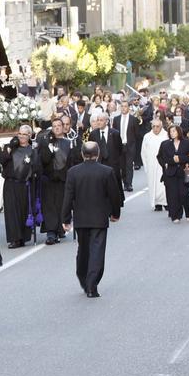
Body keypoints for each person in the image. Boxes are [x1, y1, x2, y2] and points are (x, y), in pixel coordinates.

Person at [62, 142, 122, 298]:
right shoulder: (107, 171)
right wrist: (116, 213)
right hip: (99, 217)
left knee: (83, 249)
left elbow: (68, 197)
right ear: (98, 153)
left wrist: (65, 218)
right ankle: (92, 285)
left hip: (81, 217)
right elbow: (114, 196)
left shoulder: (73, 172)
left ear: (82, 154)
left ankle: (84, 279)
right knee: (97, 251)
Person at [0, 125, 37, 248]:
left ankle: (23, 237)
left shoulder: (33, 150)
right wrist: (9, 148)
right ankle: (14, 238)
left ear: (29, 136)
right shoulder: (10, 148)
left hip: (24, 185)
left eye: (24, 134)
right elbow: (2, 160)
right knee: (11, 212)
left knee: (23, 210)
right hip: (11, 183)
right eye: (20, 133)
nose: (21, 136)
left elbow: (37, 167)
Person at [38, 118, 73, 244]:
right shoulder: (45, 142)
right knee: (49, 206)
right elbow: (43, 160)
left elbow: (70, 162)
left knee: (61, 205)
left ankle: (60, 229)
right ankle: (51, 232)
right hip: (49, 179)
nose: (57, 128)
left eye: (59, 125)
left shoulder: (68, 143)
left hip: (63, 179)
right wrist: (49, 148)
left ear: (63, 127)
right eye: (54, 126)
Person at [157, 125, 189, 223]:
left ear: (179, 131)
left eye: (174, 131)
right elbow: (160, 157)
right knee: (173, 195)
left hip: (184, 172)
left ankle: (188, 211)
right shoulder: (165, 144)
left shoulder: (186, 143)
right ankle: (176, 215)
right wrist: (165, 164)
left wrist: (180, 159)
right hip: (170, 173)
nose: (172, 133)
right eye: (170, 132)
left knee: (184, 194)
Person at [88, 112, 124, 204]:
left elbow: (119, 149)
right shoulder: (93, 134)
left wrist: (118, 163)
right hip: (98, 163)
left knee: (114, 185)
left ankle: (116, 203)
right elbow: (90, 148)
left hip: (112, 163)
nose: (98, 122)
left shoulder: (115, 133)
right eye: (97, 120)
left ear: (106, 121)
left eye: (101, 120)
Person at [140, 119, 169, 211]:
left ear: (161, 126)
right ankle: (157, 203)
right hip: (151, 165)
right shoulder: (147, 136)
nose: (155, 128)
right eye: (153, 126)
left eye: (157, 126)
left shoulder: (166, 136)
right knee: (153, 185)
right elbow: (143, 152)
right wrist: (146, 166)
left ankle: (166, 202)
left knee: (163, 185)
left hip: (163, 165)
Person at [112, 101, 138, 191]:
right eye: (122, 106)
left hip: (130, 145)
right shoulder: (116, 119)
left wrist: (134, 145)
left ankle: (129, 184)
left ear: (128, 108)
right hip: (120, 146)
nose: (124, 108)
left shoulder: (133, 119)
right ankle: (125, 182)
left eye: (125, 106)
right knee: (122, 166)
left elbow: (136, 134)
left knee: (129, 165)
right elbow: (114, 133)